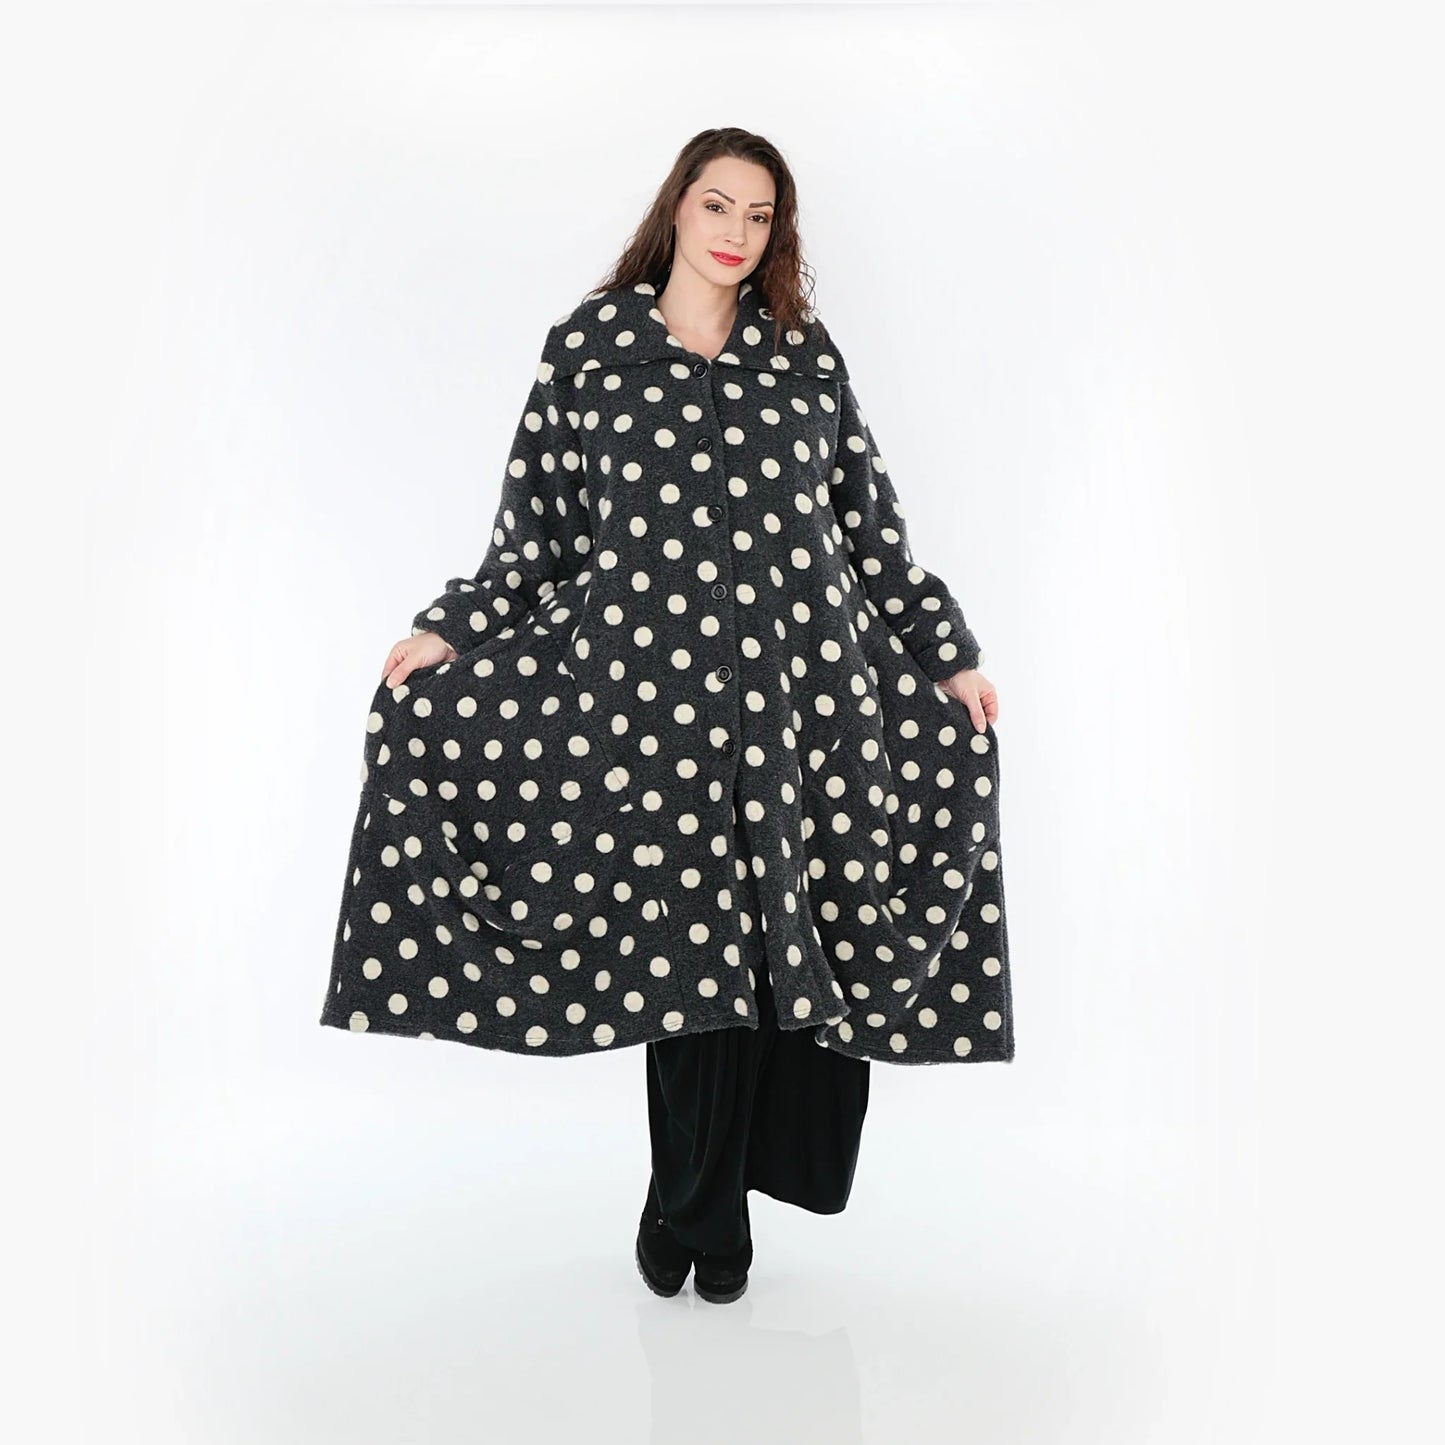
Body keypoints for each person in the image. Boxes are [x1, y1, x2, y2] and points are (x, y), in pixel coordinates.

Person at [321, 128, 1010, 1304]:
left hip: (800, 707)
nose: (735, 232)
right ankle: (698, 1208)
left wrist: (946, 655)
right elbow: (535, 536)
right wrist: (453, 630)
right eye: (716, 204)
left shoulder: (801, 356)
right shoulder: (590, 349)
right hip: (648, 716)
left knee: (769, 966)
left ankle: (696, 1203)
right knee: (686, 965)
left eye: (758, 214)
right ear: (677, 207)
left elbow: (866, 530)